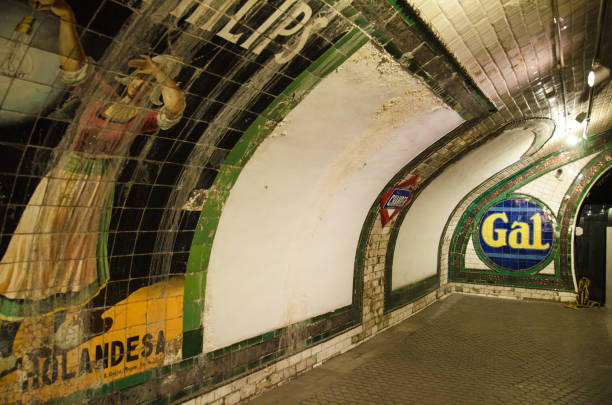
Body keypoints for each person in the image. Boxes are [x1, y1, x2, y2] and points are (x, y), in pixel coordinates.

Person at [0, 0, 186, 375]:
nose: (139, 83)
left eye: (148, 82)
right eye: (140, 77)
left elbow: (175, 109)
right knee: (34, 250)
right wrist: (67, 16)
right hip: (64, 183)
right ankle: (6, 337)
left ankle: (56, 331)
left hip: (96, 190)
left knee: (74, 261)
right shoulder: (100, 97)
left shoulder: (144, 119)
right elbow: (74, 64)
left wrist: (163, 76)